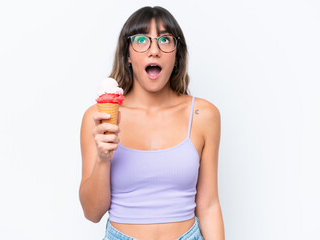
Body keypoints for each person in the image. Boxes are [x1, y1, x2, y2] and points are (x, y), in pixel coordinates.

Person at [79, 6, 224, 240]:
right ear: (127, 54)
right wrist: (103, 159)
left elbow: (208, 205)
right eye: (141, 40)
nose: (154, 50)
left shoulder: (203, 115)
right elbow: (92, 213)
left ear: (176, 55)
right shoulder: (98, 118)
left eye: (165, 40)